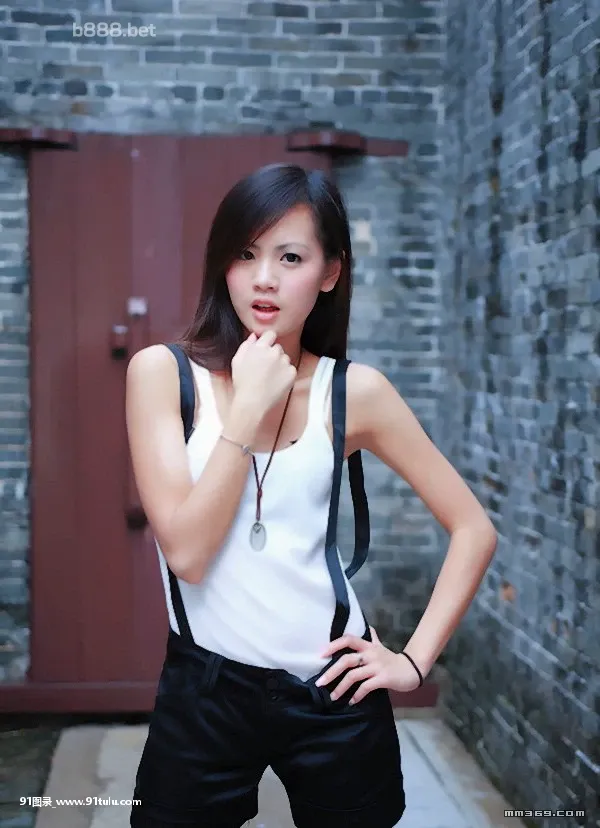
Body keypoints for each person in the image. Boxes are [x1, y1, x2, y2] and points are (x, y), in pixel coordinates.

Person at [125, 163, 498, 828]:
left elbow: (474, 528)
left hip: (333, 691)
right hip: (205, 692)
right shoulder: (163, 375)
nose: (264, 278)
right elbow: (187, 553)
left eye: (290, 257)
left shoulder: (355, 392)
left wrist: (412, 662)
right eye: (246, 254)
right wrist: (246, 413)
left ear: (330, 273)